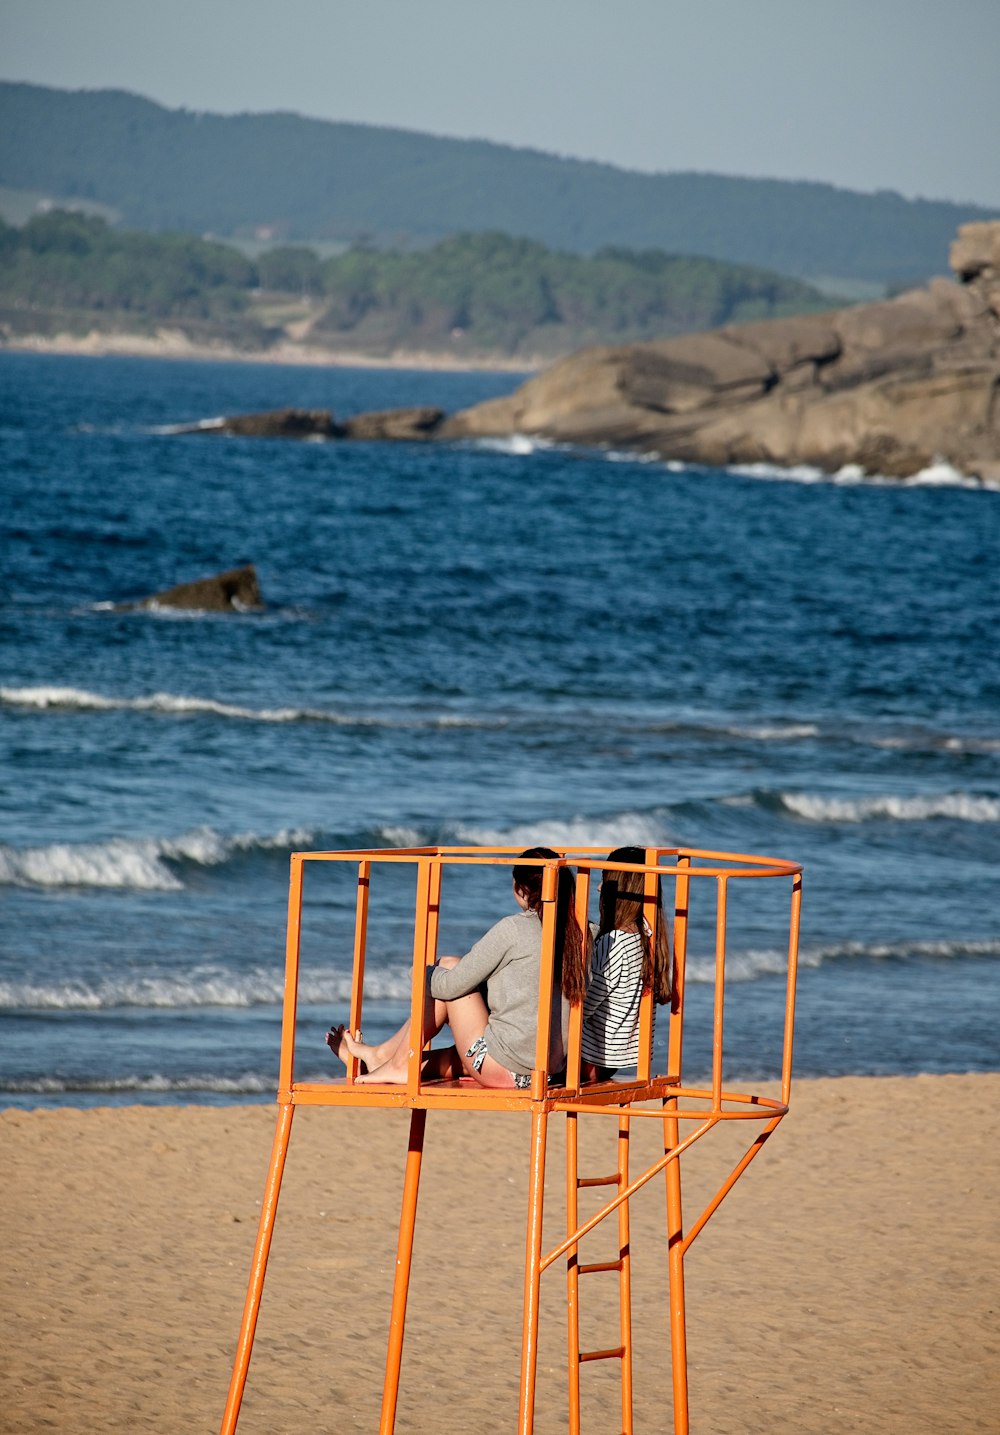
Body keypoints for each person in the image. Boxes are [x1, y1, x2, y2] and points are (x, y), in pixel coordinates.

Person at [327, 847, 586, 1088]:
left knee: (448, 971)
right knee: (453, 973)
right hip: (552, 1070)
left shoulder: (515, 929)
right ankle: (381, 1057)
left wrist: (421, 972)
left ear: (520, 889)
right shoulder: (583, 931)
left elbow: (451, 986)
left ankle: (395, 1063)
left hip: (507, 1069)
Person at [580, 846, 672, 1081]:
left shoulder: (613, 943)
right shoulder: (646, 933)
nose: (599, 888)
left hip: (591, 1060)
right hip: (620, 1058)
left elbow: (583, 1009)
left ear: (620, 890)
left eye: (605, 881)